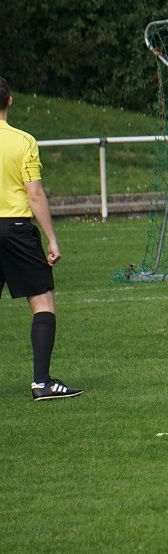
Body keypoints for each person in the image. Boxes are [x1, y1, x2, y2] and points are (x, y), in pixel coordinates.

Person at [0, 77, 83, 400]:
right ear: (10, 101)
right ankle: (41, 383)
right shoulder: (23, 142)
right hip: (16, 230)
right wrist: (52, 238)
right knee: (43, 304)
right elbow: (34, 195)